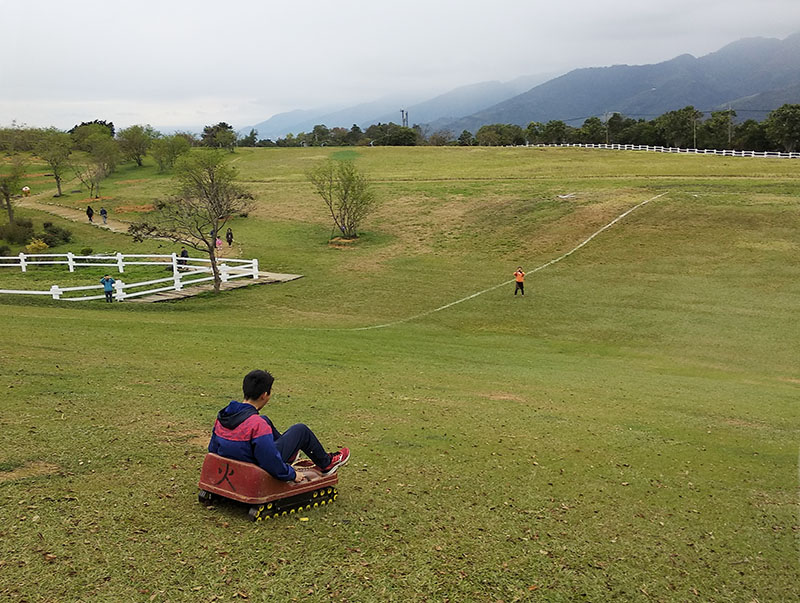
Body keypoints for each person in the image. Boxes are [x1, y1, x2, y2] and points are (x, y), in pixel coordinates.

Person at [208, 369, 350, 482]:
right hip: (254, 466)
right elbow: (269, 461)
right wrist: (291, 474)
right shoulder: (256, 425)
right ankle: (326, 463)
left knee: (265, 419)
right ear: (264, 395)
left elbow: (213, 449)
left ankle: (290, 454)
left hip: (235, 461)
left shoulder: (224, 415)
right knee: (300, 430)